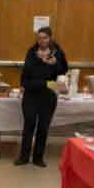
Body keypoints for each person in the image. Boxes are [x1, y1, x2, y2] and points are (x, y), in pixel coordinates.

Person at [16, 26, 69, 167]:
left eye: (44, 38)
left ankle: (38, 158)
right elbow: (26, 75)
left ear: (50, 38)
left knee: (43, 127)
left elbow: (62, 73)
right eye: (39, 38)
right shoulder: (32, 52)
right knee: (29, 125)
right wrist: (42, 82)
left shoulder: (57, 53)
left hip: (48, 97)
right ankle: (24, 156)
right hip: (31, 95)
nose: (41, 41)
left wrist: (53, 64)